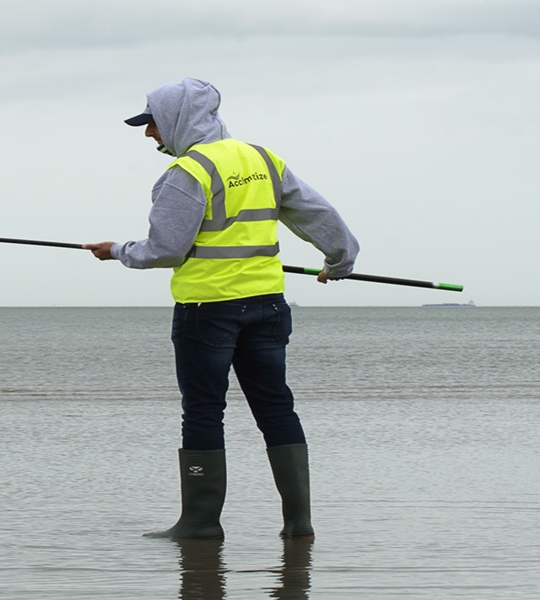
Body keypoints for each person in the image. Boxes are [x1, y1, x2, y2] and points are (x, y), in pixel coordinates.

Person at [86, 78, 359, 541]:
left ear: (176, 119)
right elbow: (319, 215)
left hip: (207, 310)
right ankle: (299, 524)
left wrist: (118, 250)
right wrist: (340, 261)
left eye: (151, 123)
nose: (149, 134)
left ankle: (200, 524)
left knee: (203, 411)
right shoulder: (262, 159)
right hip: (268, 307)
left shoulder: (188, 173)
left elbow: (167, 249)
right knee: (276, 409)